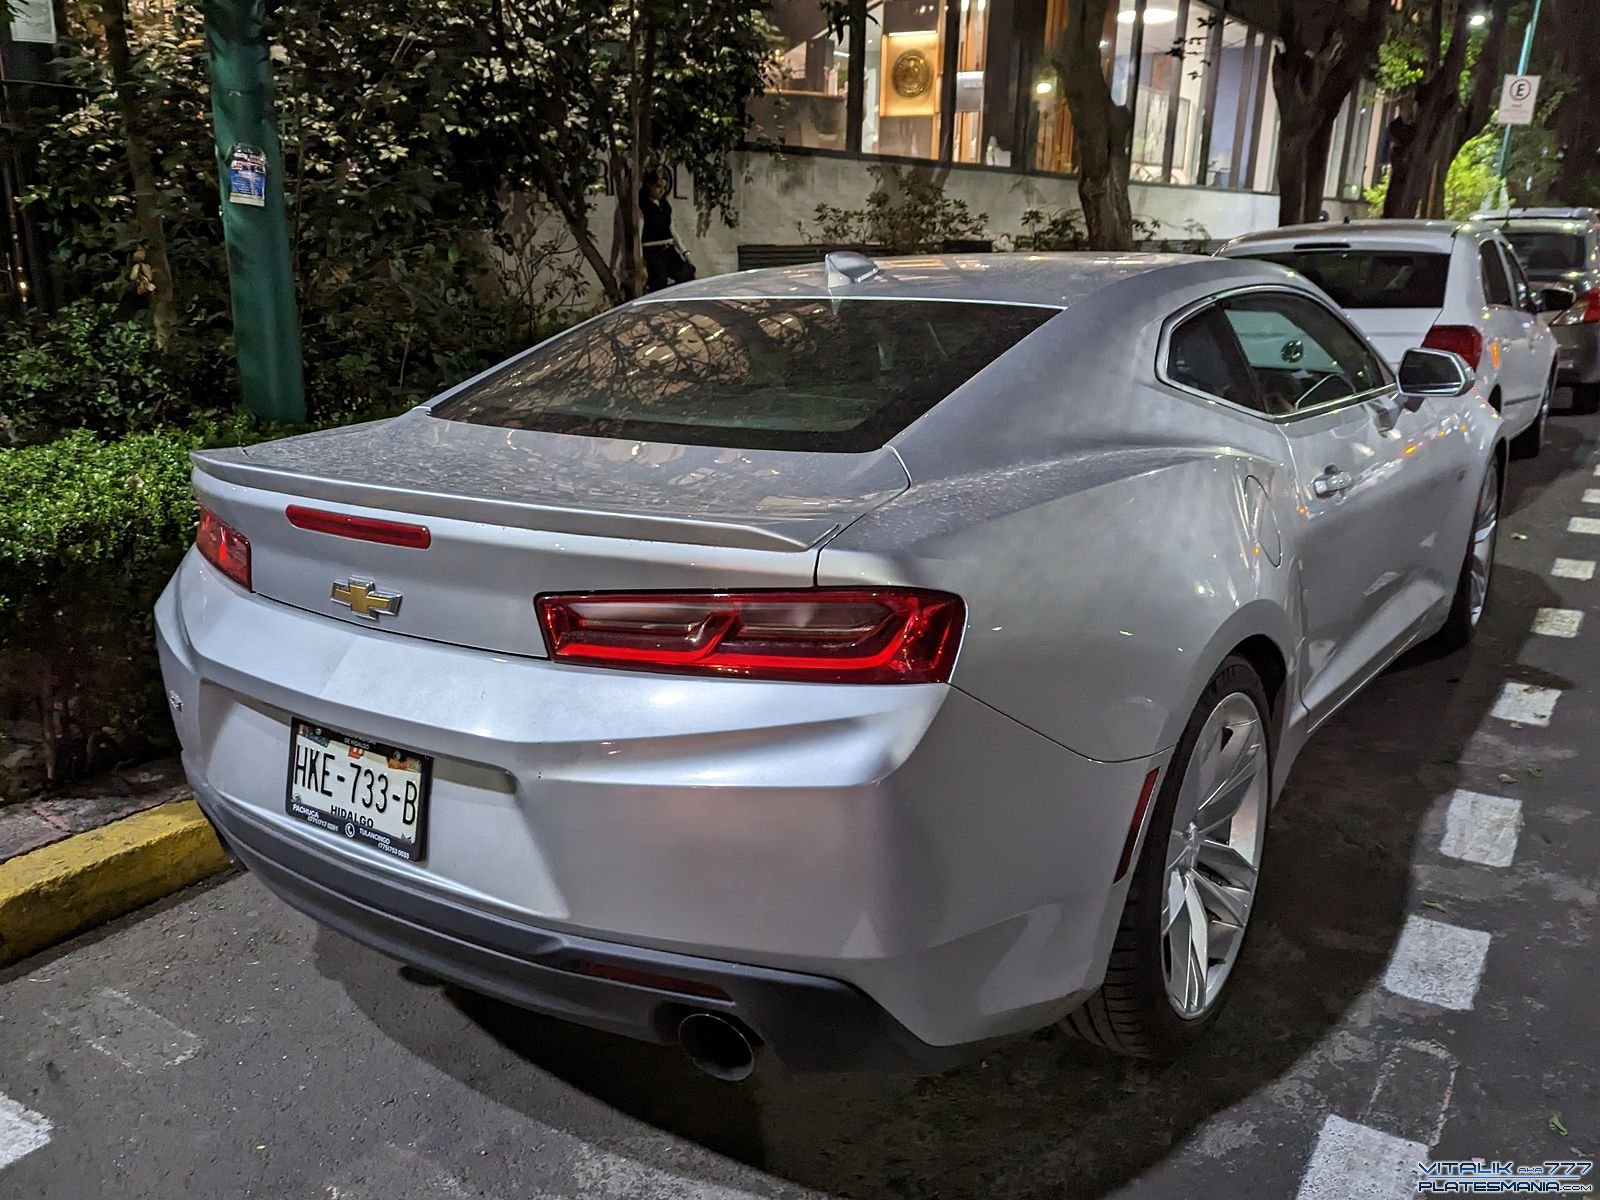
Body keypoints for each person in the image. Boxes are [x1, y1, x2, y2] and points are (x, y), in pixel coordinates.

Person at [639, 170, 696, 293]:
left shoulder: (664, 205)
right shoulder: (643, 205)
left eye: (664, 188)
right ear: (649, 185)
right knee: (659, 285)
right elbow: (638, 235)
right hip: (653, 251)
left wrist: (685, 252)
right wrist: (641, 264)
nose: (662, 191)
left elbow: (672, 229)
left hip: (668, 249)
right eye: (658, 187)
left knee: (687, 275)